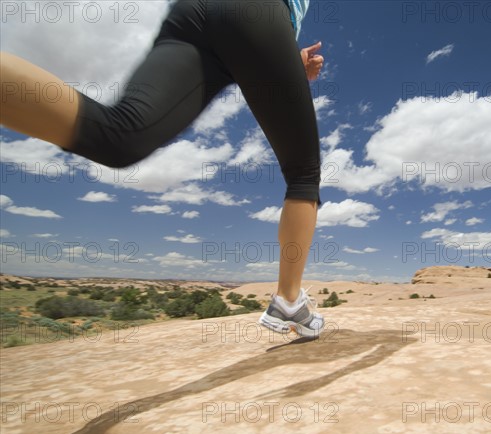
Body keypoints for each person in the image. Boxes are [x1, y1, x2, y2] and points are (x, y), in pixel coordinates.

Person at [0, 0, 325, 337]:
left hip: (194, 14)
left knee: (120, 136)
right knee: (303, 174)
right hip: (258, 15)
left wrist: (289, 57)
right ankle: (288, 300)